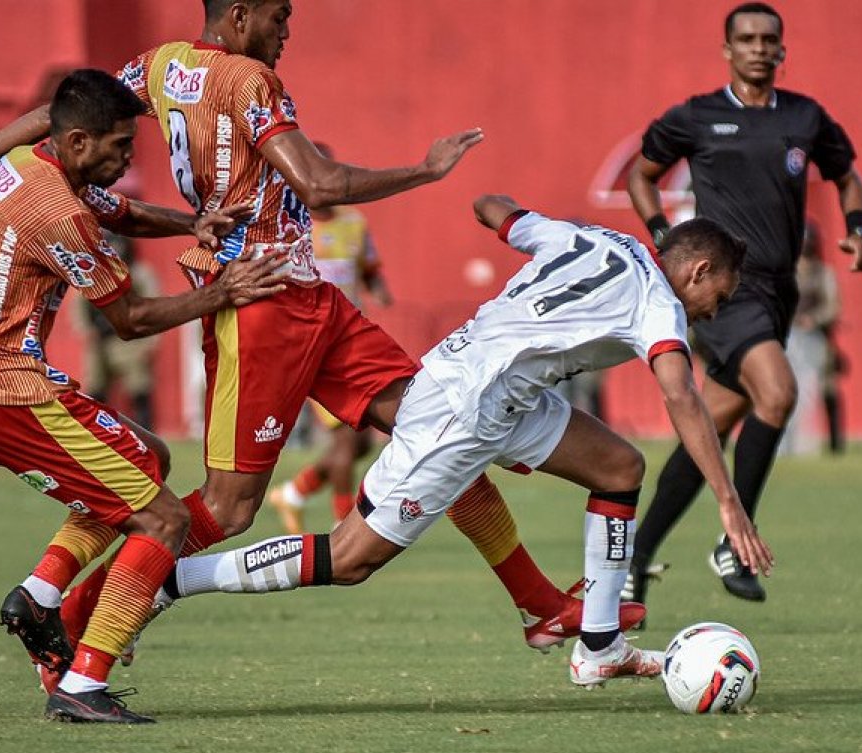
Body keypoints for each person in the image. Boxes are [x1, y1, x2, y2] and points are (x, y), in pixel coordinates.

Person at [0, 0, 642, 681]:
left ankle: (540, 604)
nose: (289, 30)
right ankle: (81, 622)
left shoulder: (159, 68)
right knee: (228, 504)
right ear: (240, 15)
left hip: (310, 295)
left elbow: (59, 117)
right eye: (280, 16)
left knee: (444, 430)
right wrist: (422, 169)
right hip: (260, 305)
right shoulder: (250, 80)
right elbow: (317, 184)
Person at [154, 197, 773, 688]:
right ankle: (176, 581)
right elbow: (682, 396)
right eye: (716, 299)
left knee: (618, 467)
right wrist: (727, 501)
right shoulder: (659, 306)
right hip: (461, 410)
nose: (712, 314)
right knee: (349, 560)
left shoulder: (592, 238)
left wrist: (509, 238)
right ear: (698, 271)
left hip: (500, 391)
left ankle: (599, 648)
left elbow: (491, 206)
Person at [0, 69, 287, 723]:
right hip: (3, 393)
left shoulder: (28, 165)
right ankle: (83, 683)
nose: (126, 160)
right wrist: (223, 293)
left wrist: (193, 222)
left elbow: (123, 211)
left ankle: (39, 597)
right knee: (165, 520)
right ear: (80, 142)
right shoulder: (57, 211)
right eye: (121, 147)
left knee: (147, 456)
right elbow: (131, 320)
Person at [624, 2, 862, 609]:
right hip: (728, 290)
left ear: (782, 50)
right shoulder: (697, 116)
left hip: (779, 292)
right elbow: (641, 175)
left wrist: (860, 229)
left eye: (769, 39)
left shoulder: (805, 117)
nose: (759, 47)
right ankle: (735, 542)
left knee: (705, 431)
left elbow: (847, 176)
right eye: (747, 38)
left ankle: (632, 562)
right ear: (727, 50)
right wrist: (666, 238)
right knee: (780, 392)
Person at [267, 141, 392, 534]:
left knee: (361, 443)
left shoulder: (354, 223)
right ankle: (344, 525)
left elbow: (368, 266)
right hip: (313, 347)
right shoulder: (289, 228)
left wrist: (379, 287)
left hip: (352, 339)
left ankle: (294, 493)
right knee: (345, 441)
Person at [75, 232, 160, 429]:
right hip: (101, 340)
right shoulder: (94, 273)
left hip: (130, 339)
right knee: (96, 388)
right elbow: (79, 304)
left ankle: (147, 435)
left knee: (139, 387)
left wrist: (149, 344)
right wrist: (87, 330)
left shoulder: (139, 273)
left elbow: (154, 305)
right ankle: (97, 433)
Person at [788, 220, 845, 454]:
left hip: (817, 341)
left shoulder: (823, 273)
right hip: (788, 340)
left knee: (827, 389)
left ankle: (834, 442)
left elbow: (832, 307)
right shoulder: (786, 272)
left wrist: (814, 319)